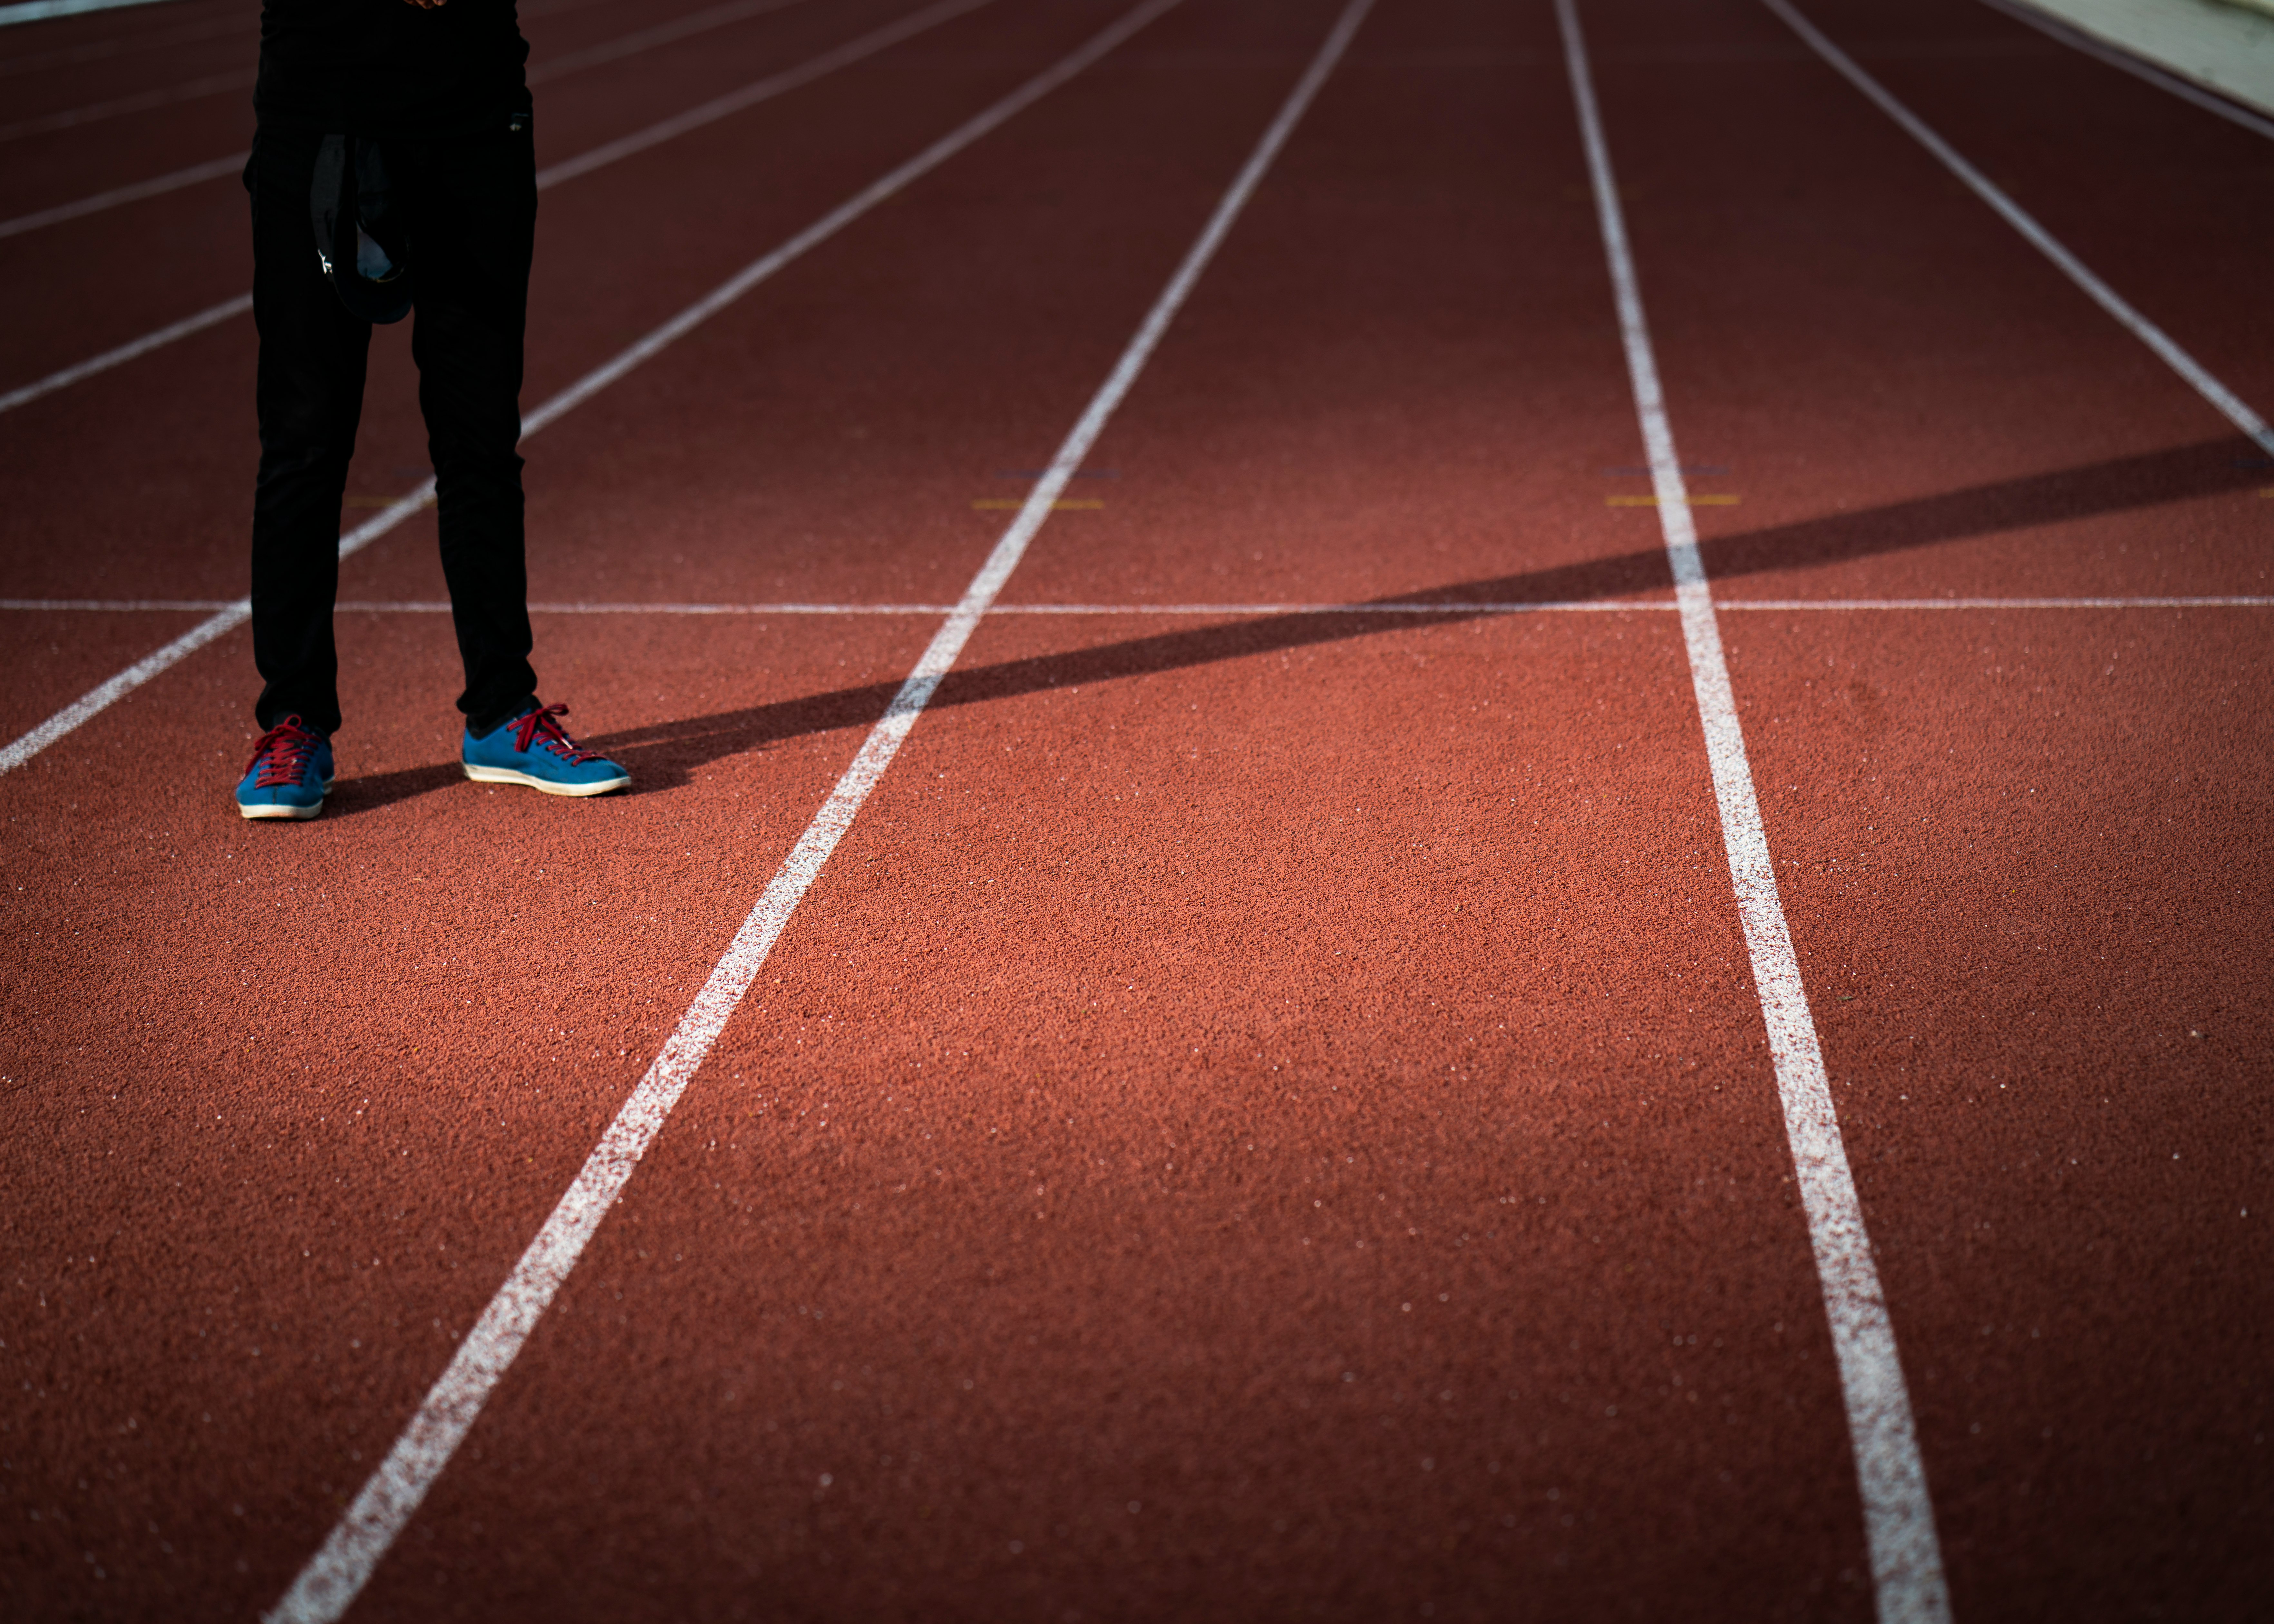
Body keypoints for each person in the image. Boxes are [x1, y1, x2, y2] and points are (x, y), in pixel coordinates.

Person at [234, 0, 628, 820]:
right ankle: (293, 724)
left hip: (473, 125)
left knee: (479, 436)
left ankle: (501, 711)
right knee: (305, 439)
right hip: (320, 115)